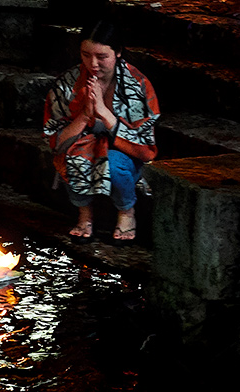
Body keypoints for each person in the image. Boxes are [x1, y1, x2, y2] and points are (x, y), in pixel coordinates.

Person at [43, 20, 160, 242]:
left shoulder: (136, 85)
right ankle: (84, 214)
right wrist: (85, 116)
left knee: (112, 163)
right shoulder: (68, 84)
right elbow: (56, 141)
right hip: (82, 146)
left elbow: (145, 148)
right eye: (86, 55)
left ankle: (127, 211)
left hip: (125, 154)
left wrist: (105, 114)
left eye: (101, 57)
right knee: (74, 155)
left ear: (117, 52)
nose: (93, 63)